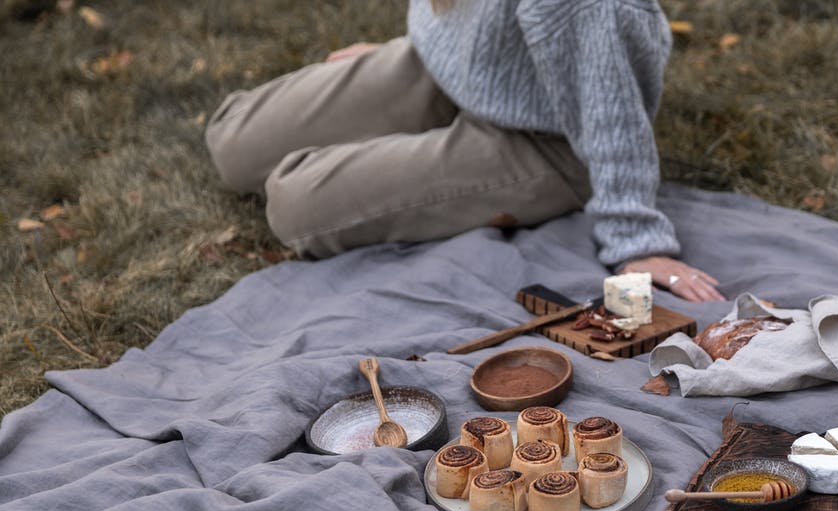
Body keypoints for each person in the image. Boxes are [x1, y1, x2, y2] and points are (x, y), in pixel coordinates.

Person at [205, 0, 724, 302]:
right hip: (459, 75)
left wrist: (637, 241)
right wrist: (424, 52)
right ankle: (401, 138)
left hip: (550, 140)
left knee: (294, 204)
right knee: (233, 143)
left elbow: (610, 106)